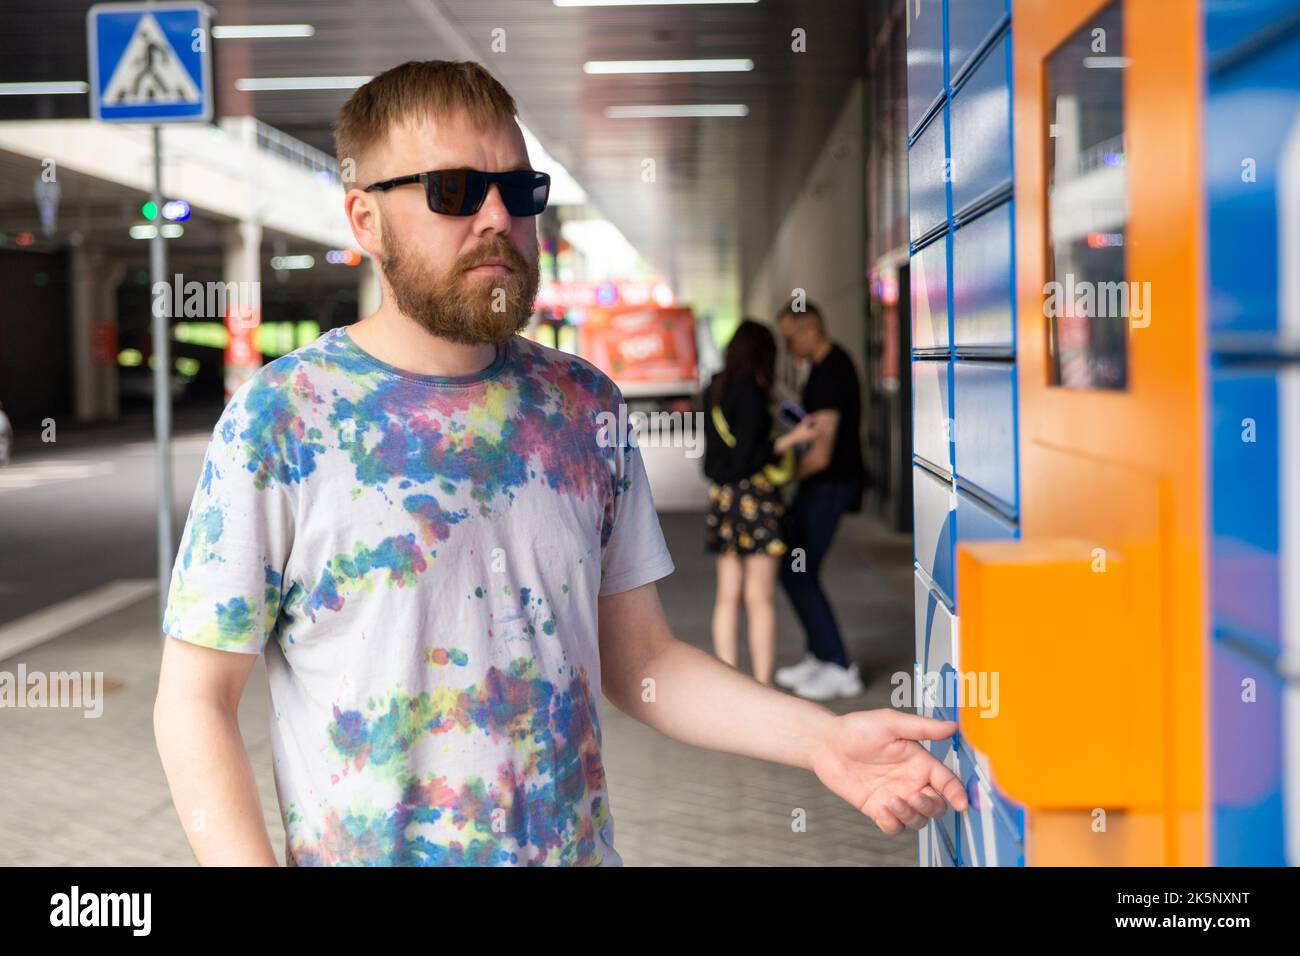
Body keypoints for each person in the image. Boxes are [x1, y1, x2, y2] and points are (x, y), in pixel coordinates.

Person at [153, 60, 966, 867]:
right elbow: (194, 700)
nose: (497, 217)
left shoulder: (584, 408)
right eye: (453, 192)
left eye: (519, 189)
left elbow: (642, 661)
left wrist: (824, 741)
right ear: (365, 220)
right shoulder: (283, 419)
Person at [702, 319, 823, 685]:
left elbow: (717, 460)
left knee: (727, 596)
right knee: (760, 599)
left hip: (723, 500)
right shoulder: (753, 393)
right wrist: (795, 437)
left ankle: (728, 684)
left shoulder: (714, 388)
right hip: (755, 501)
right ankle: (762, 685)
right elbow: (749, 458)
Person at [775, 299, 869, 701]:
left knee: (798, 570)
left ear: (810, 329)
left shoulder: (832, 372)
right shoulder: (826, 367)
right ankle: (818, 654)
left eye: (790, 337)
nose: (787, 346)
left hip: (830, 484)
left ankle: (839, 665)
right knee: (795, 567)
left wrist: (777, 475)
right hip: (826, 485)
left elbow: (821, 453)